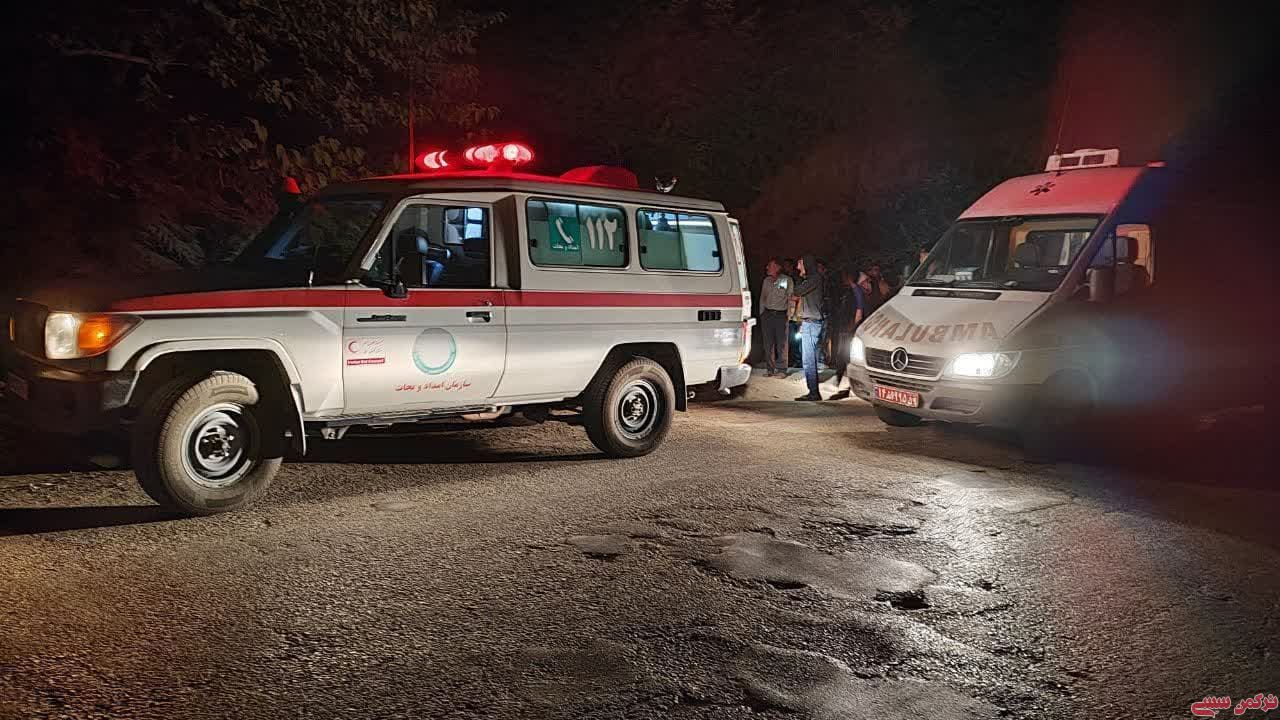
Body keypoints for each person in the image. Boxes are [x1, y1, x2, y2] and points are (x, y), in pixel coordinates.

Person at [828, 269, 867, 395]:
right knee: (843, 354)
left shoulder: (856, 291)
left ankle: (842, 381)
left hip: (849, 328)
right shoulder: (850, 290)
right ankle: (839, 379)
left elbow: (859, 311)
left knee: (845, 354)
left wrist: (853, 327)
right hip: (845, 326)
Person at [791, 254, 825, 401]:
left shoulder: (814, 279)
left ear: (807, 264)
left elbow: (797, 291)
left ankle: (814, 393)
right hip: (809, 322)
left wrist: (800, 278)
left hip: (812, 323)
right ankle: (813, 391)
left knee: (809, 360)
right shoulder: (812, 279)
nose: (798, 267)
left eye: (800, 264)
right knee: (808, 359)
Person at [758, 257, 792, 377]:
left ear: (777, 267)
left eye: (770, 265)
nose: (767, 267)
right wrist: (762, 313)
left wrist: (789, 315)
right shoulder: (766, 281)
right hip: (767, 315)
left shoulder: (787, 280)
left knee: (782, 343)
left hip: (781, 315)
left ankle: (782, 369)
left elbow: (790, 298)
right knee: (768, 343)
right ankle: (770, 369)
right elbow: (762, 298)